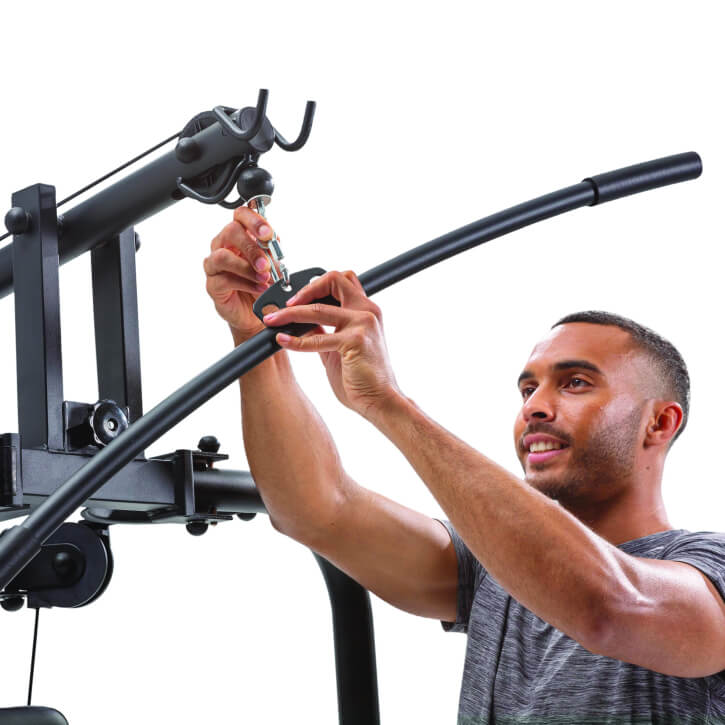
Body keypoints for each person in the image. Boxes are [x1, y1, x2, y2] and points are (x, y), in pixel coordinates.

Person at [203, 207, 725, 724]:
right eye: (528, 389)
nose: (535, 407)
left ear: (659, 423)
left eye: (575, 383)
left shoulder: (710, 570)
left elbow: (607, 608)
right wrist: (257, 338)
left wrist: (389, 403)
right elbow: (318, 509)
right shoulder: (493, 573)